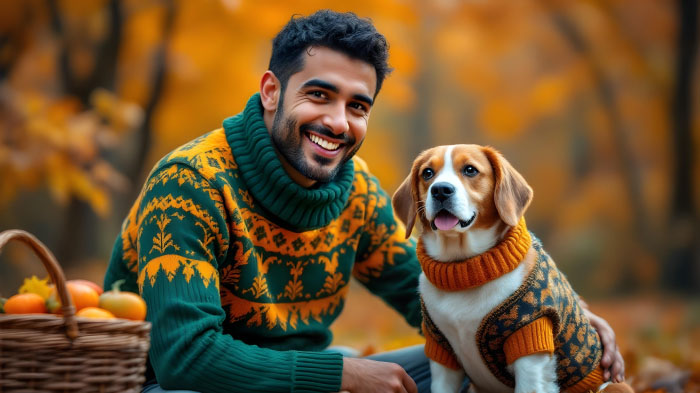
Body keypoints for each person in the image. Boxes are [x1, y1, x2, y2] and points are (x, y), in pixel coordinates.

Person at [103, 9, 625, 393]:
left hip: (311, 375)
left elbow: (425, 296)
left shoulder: (355, 190)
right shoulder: (190, 184)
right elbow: (183, 356)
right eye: (318, 95)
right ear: (270, 91)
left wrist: (562, 319)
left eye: (358, 106)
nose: (338, 123)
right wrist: (341, 373)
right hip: (181, 386)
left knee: (473, 362)